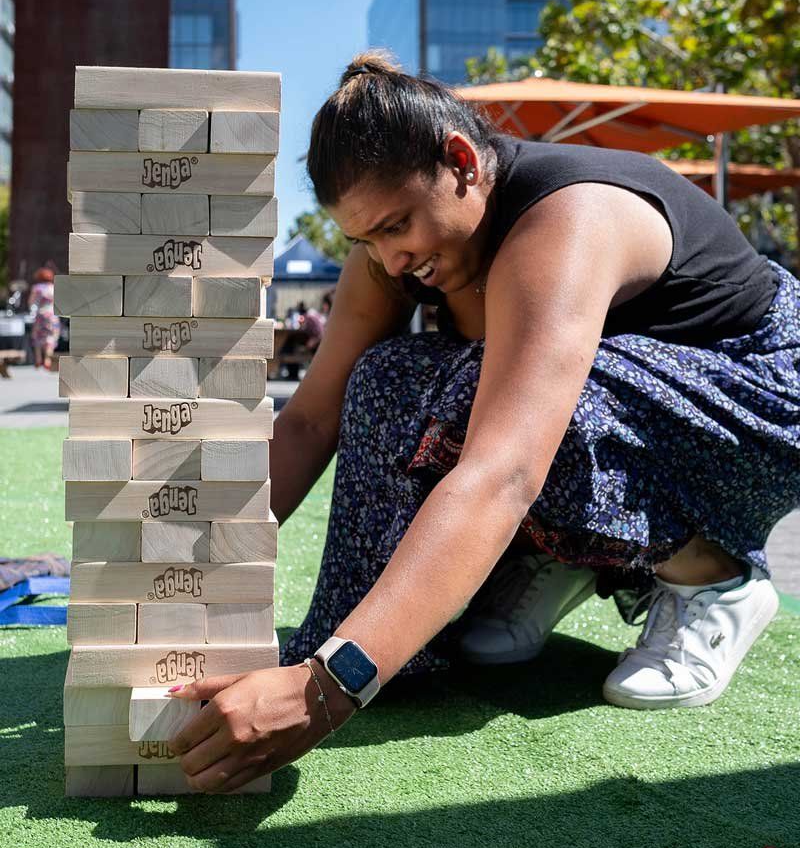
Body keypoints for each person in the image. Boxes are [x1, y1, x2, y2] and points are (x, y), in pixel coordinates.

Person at [166, 52, 800, 793]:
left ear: (462, 162)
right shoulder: (392, 252)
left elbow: (503, 472)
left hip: (762, 405)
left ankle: (713, 579)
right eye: (367, 239)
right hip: (621, 407)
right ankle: (558, 553)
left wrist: (328, 687)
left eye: (398, 225)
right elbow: (313, 417)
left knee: (504, 399)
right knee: (388, 378)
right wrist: (188, 567)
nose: (392, 260)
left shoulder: (566, 218)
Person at [27, 268, 61, 371]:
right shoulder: (53, 288)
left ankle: (38, 359)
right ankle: (47, 360)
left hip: (40, 315)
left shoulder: (37, 288)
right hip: (52, 315)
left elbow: (31, 302)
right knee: (50, 338)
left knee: (37, 337)